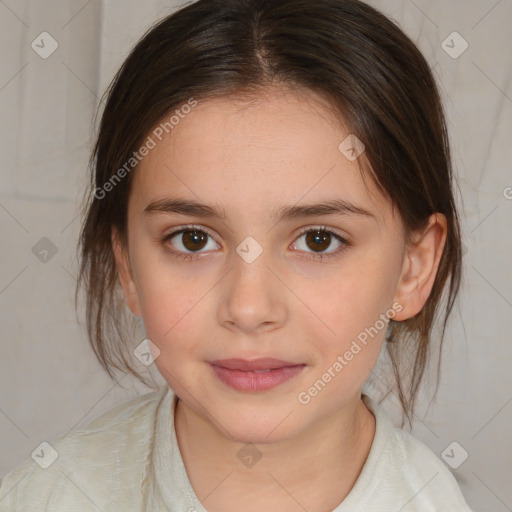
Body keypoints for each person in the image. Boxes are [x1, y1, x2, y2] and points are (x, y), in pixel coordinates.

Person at [0, 0, 474, 510]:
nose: (249, 309)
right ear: (127, 265)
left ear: (413, 266)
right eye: (193, 239)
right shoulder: (45, 497)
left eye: (319, 240)